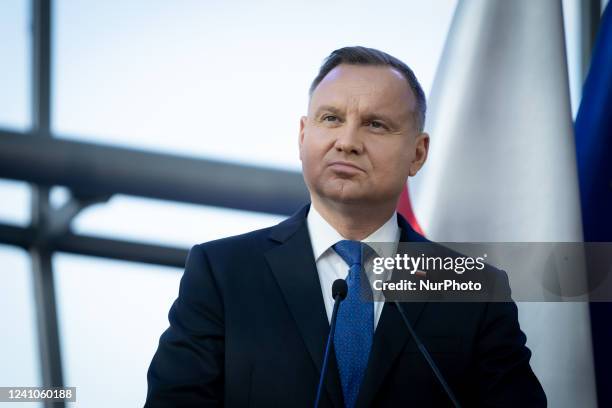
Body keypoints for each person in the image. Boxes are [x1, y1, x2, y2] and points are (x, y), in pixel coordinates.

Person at [145, 46, 546, 407]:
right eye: (331, 119)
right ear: (303, 136)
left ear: (418, 153)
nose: (347, 141)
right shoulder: (222, 272)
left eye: (375, 125)